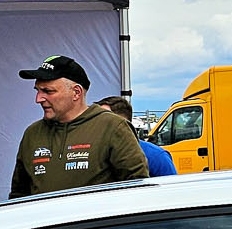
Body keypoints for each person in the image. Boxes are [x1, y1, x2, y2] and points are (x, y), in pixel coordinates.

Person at [9, 55, 149, 197]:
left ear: (76, 92)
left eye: (48, 91)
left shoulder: (113, 127)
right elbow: (18, 194)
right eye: (37, 90)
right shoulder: (32, 133)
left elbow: (137, 189)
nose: (38, 99)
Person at [99, 95, 176, 178]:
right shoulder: (94, 155)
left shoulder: (156, 156)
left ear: (122, 124)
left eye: (102, 121)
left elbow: (171, 185)